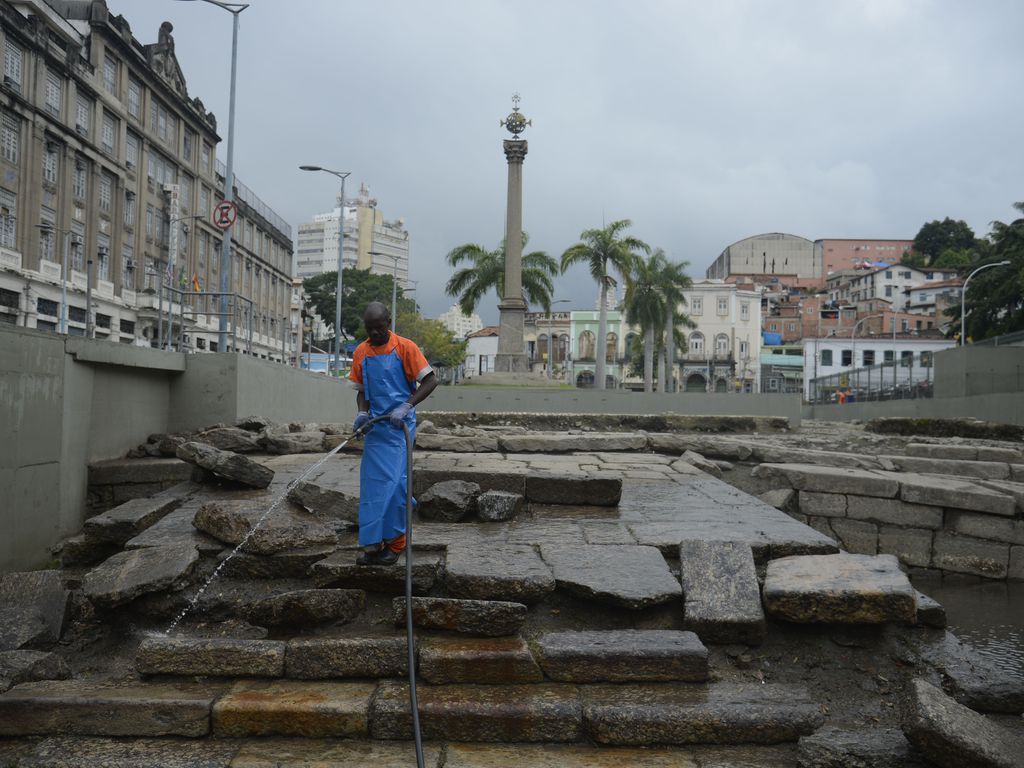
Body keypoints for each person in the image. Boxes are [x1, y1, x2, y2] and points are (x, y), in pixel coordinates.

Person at [349, 302, 437, 566]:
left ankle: (396, 544)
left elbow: (431, 380)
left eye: (379, 328)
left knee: (396, 485)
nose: (375, 333)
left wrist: (407, 405)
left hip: (400, 429)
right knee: (373, 487)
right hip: (376, 429)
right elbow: (362, 390)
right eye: (370, 329)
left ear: (388, 323)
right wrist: (362, 414)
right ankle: (374, 544)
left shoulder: (406, 348)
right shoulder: (361, 352)